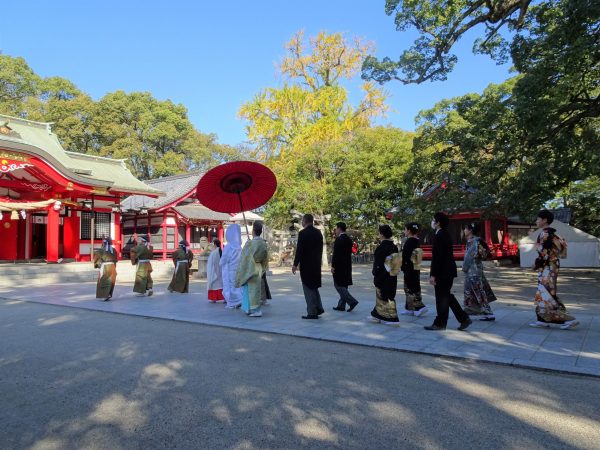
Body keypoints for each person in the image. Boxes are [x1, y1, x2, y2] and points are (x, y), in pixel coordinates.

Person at [530, 210, 579, 329]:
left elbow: (544, 252)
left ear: (544, 220)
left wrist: (536, 264)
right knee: (546, 292)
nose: (536, 221)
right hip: (552, 265)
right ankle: (542, 319)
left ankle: (565, 320)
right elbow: (560, 252)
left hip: (547, 265)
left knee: (546, 294)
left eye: (538, 219)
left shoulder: (545, 234)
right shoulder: (555, 235)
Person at [424, 212, 472, 331]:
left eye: (434, 219)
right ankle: (463, 318)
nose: (432, 221)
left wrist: (433, 274)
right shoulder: (445, 234)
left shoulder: (439, 235)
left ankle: (441, 323)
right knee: (446, 296)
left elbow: (437, 257)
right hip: (448, 270)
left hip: (442, 271)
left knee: (442, 297)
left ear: (438, 223)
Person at [462, 222, 497, 321]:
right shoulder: (476, 241)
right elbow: (486, 255)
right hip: (475, 269)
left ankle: (488, 312)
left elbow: (470, 257)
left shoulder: (474, 241)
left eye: (465, 228)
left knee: (478, 292)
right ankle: (471, 310)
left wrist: (464, 268)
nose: (464, 230)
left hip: (473, 270)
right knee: (470, 290)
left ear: (470, 230)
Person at [292, 214, 324, 320]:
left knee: (308, 288)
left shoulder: (303, 233)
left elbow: (299, 250)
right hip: (316, 265)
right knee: (314, 287)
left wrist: (295, 264)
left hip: (306, 265)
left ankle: (312, 312)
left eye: (302, 221)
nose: (301, 222)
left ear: (305, 221)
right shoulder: (318, 233)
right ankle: (318, 307)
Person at [236, 221, 269, 317]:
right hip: (258, 267)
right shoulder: (263, 243)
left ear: (253, 231)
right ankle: (253, 308)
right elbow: (266, 257)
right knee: (256, 289)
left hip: (250, 267)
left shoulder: (250, 243)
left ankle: (254, 309)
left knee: (249, 289)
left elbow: (244, 257)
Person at [371, 224, 400, 325]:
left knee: (384, 295)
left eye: (379, 233)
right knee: (389, 294)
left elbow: (378, 264)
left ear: (382, 234)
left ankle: (390, 317)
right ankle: (377, 314)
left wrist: (375, 273)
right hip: (392, 274)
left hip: (383, 275)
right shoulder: (394, 247)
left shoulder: (381, 247)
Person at [400, 222, 428, 317]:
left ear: (409, 231)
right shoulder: (416, 241)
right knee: (412, 286)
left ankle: (419, 307)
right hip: (415, 267)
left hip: (410, 268)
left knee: (410, 288)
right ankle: (409, 308)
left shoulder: (409, 241)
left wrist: (404, 266)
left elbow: (406, 257)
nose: (404, 231)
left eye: (405, 229)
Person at [331, 222, 359, 312]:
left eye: (336, 228)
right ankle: (341, 306)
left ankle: (352, 301)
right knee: (344, 285)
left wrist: (333, 266)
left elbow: (336, 255)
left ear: (339, 228)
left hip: (339, 266)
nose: (335, 230)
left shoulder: (339, 239)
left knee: (338, 284)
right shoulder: (348, 239)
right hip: (347, 265)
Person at [220, 224, 243, 309]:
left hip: (230, 270)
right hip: (238, 269)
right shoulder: (239, 247)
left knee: (230, 286)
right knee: (237, 286)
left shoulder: (229, 246)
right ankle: (239, 300)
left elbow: (224, 258)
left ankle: (232, 302)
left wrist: (221, 262)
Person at [93, 236, 117, 301]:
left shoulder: (102, 250)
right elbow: (115, 260)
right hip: (112, 266)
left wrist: (97, 265)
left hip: (105, 267)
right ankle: (109, 294)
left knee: (104, 281)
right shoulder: (114, 250)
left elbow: (96, 257)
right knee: (111, 281)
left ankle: (104, 295)